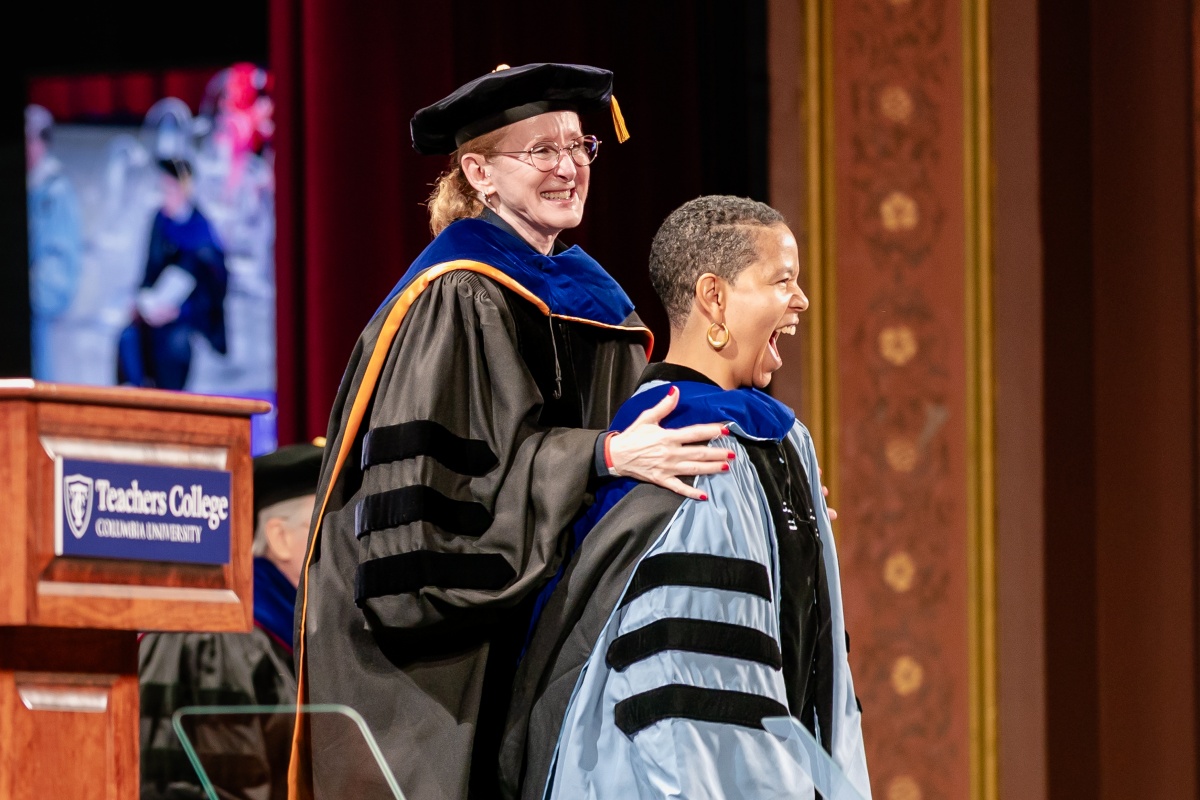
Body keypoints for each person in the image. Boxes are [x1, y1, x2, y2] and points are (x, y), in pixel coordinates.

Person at [291, 63, 736, 800]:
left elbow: (642, 445)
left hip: (530, 620)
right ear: (480, 174)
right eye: (542, 150)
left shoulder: (593, 299)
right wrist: (599, 455)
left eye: (579, 146)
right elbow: (440, 518)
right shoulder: (457, 293)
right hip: (433, 665)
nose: (568, 167)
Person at [501, 196, 871, 799]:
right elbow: (691, 692)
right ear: (714, 298)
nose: (801, 300)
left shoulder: (770, 440)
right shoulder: (688, 443)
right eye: (782, 281)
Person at [140, 442, 323, 800]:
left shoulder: (284, 630)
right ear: (280, 538)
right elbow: (230, 785)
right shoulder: (222, 635)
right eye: (325, 528)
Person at [117, 157, 229, 391]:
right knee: (128, 337)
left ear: (184, 189)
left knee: (174, 345)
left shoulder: (201, 232)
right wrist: (141, 301)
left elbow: (213, 292)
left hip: (186, 319)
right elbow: (149, 271)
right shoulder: (160, 221)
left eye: (169, 189)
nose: (164, 195)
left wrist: (178, 312)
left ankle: (167, 403)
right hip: (155, 311)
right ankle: (133, 398)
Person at [25, 103, 83, 381]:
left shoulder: (55, 192)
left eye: (30, 139)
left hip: (38, 316)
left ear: (42, 143)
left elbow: (60, 265)